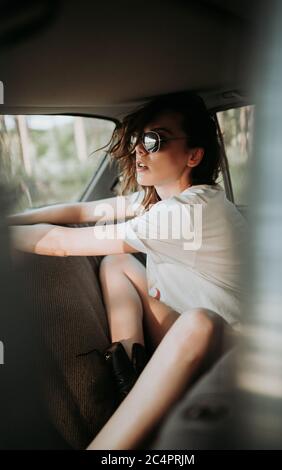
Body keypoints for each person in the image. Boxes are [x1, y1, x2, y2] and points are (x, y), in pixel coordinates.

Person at [8, 92, 246, 449]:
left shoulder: (189, 213)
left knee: (199, 321)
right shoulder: (160, 203)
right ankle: (129, 384)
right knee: (117, 263)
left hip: (237, 362)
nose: (139, 150)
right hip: (197, 341)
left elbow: (60, 243)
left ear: (193, 155)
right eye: (138, 140)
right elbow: (79, 212)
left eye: (155, 140)